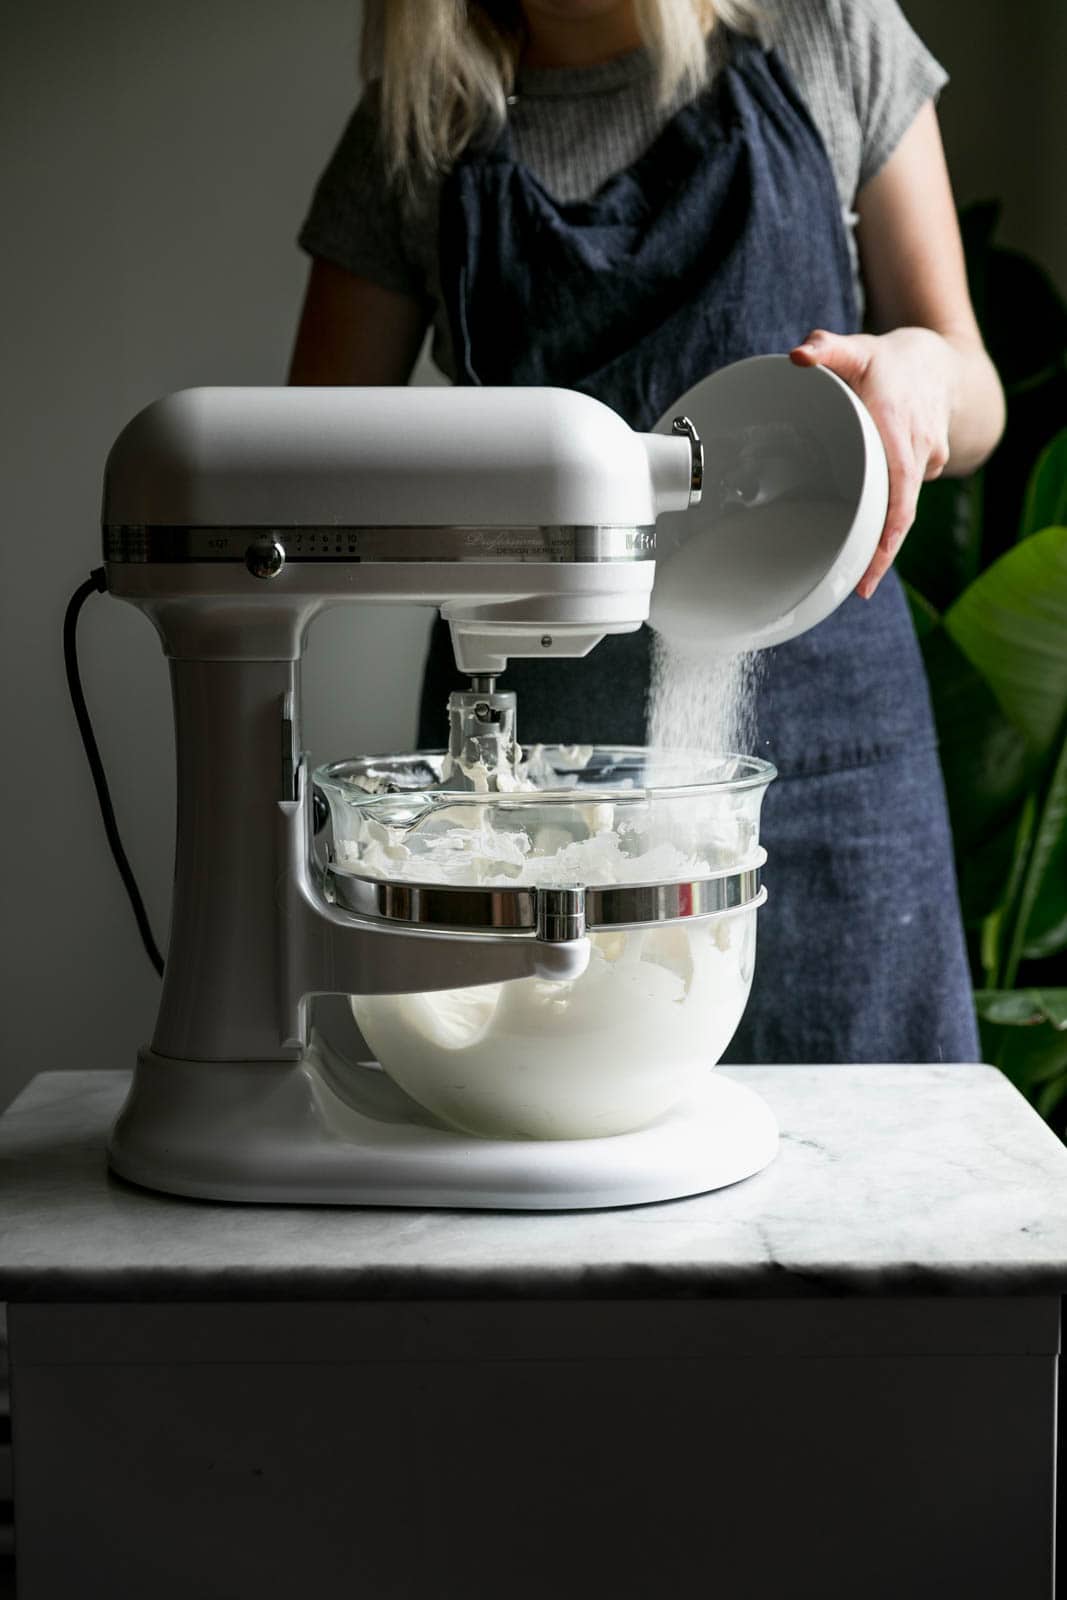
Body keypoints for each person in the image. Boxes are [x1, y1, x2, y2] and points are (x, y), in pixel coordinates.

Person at [290, 0, 1005, 1065]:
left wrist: (921, 372)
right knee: (556, 1109)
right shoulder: (418, 126)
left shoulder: (823, 31)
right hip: (528, 791)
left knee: (873, 1137)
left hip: (836, 755)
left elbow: (975, 392)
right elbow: (311, 471)